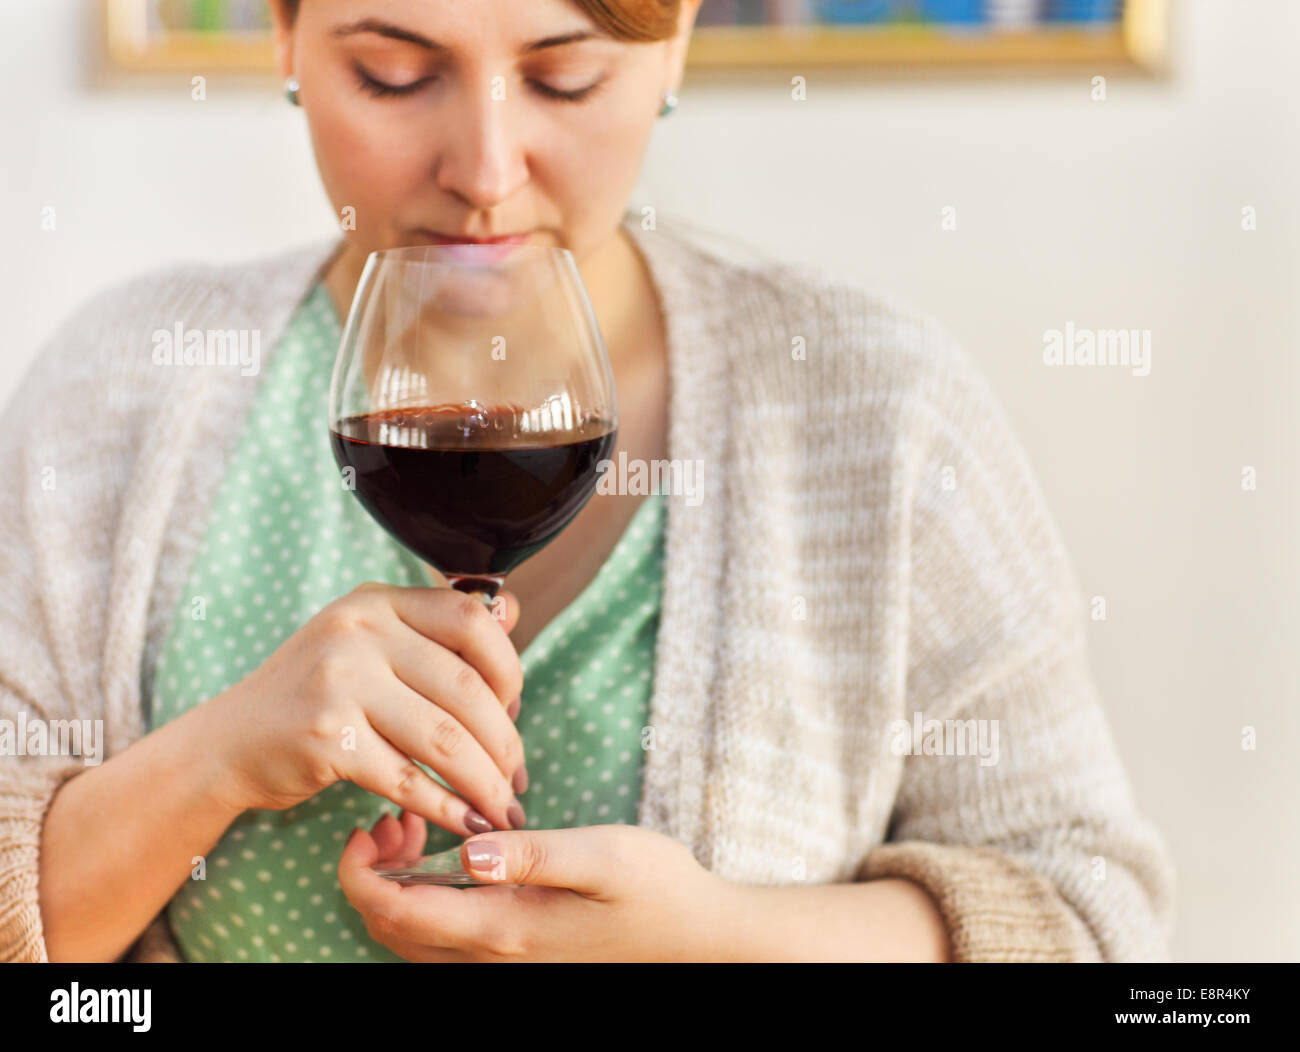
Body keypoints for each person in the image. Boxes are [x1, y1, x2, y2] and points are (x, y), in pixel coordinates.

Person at [0, 0, 1174, 963]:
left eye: (563, 81)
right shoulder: (121, 392)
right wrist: (211, 759)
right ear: (284, 39)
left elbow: (1091, 921)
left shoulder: (879, 409)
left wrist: (722, 944)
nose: (486, 172)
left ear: (669, 45)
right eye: (396, 74)